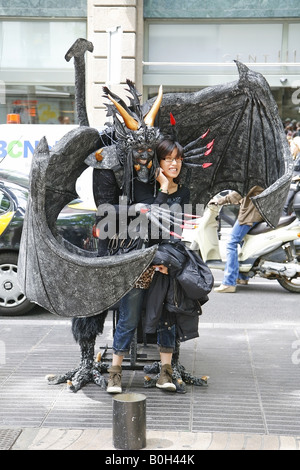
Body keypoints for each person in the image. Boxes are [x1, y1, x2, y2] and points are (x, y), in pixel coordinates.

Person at [107, 137, 190, 394]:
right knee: (129, 318)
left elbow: (176, 230)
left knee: (167, 318)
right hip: (139, 263)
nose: (173, 163)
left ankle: (165, 373)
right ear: (158, 162)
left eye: (177, 159)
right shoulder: (139, 190)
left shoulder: (184, 191)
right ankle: (115, 373)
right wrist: (163, 189)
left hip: (165, 264)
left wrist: (171, 262)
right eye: (168, 159)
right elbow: (147, 224)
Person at [212, 186, 264, 293]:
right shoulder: (263, 173)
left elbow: (240, 193)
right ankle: (242, 277)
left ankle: (229, 282)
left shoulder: (255, 174)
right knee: (241, 241)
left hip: (251, 214)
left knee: (231, 243)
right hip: (256, 212)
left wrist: (220, 201)